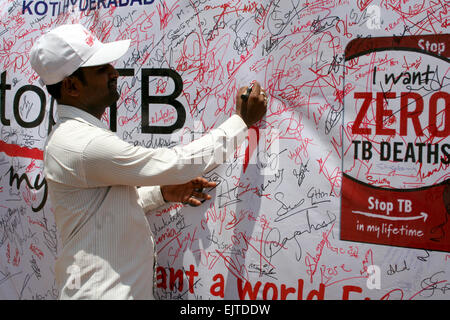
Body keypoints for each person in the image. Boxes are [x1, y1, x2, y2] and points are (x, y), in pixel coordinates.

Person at [29, 24, 267, 299]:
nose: (114, 73)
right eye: (100, 69)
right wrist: (240, 122)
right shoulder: (82, 144)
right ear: (71, 86)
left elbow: (103, 214)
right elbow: (176, 164)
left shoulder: (77, 137)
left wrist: (162, 193)